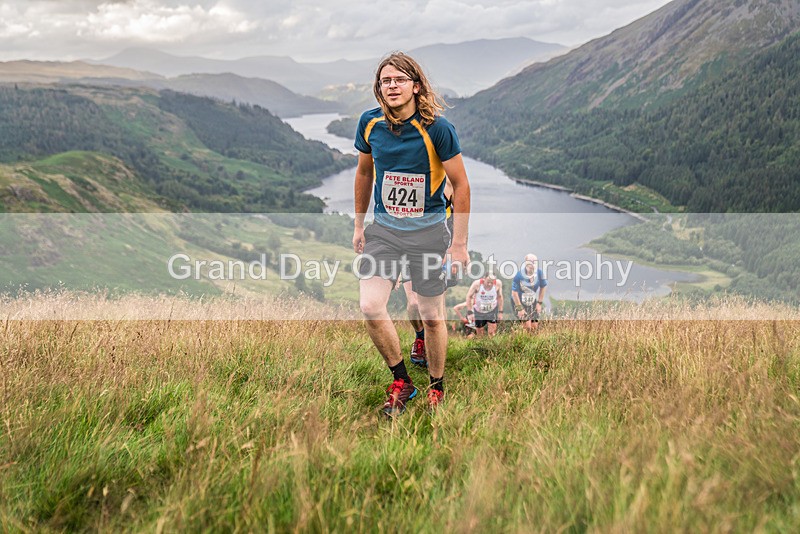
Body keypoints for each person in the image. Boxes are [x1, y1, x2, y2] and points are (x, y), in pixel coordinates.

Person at [353, 52, 470, 416]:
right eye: (385, 81)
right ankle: (402, 382)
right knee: (371, 305)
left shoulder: (438, 128)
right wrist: (359, 225)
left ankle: (437, 386)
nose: (391, 86)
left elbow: (461, 185)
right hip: (385, 232)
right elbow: (363, 174)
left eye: (399, 80)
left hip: (429, 234)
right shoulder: (369, 123)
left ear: (416, 86)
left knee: (431, 315)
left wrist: (460, 245)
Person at [511, 254, 547, 331]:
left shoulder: (539, 273)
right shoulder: (519, 275)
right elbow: (514, 293)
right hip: (519, 301)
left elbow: (543, 286)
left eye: (535, 261)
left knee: (534, 327)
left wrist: (539, 303)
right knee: (527, 327)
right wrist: (520, 308)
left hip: (532, 300)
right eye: (530, 261)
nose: (533, 263)